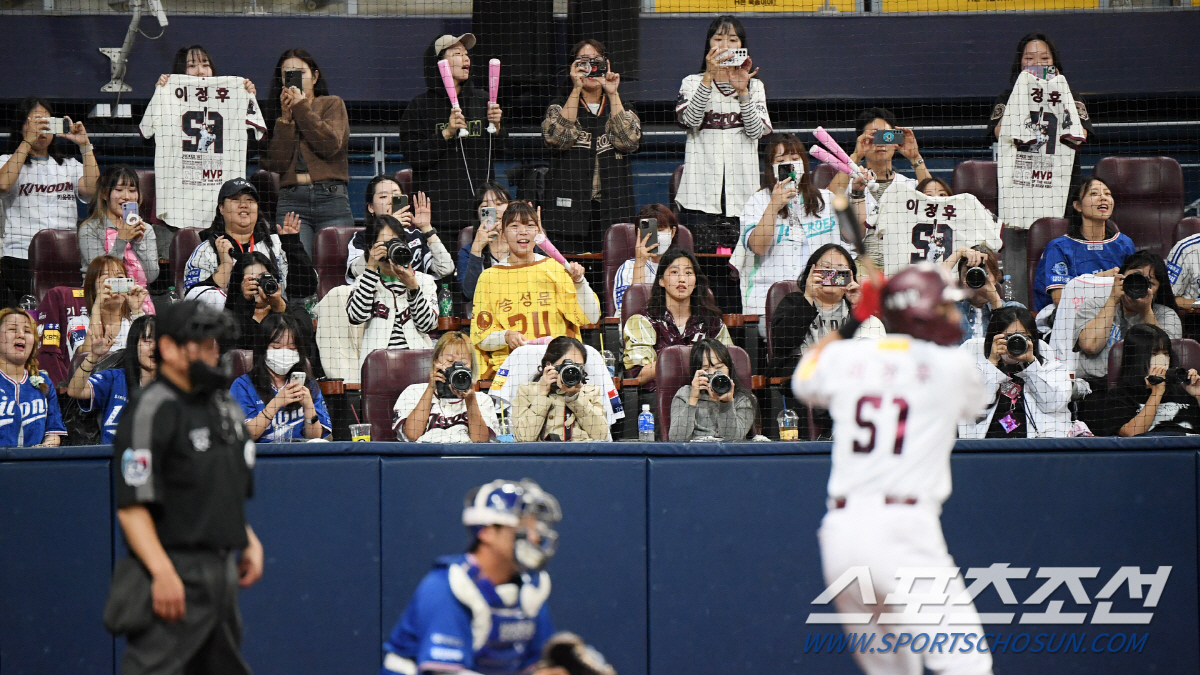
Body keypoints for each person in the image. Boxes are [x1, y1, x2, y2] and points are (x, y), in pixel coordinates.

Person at [792, 264, 994, 675]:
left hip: (841, 536)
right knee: (967, 665)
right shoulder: (950, 368)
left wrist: (854, 321)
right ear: (922, 312)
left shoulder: (848, 356)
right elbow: (975, 405)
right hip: (904, 531)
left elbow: (803, 377)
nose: (952, 315)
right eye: (943, 307)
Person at [104, 300, 263, 674]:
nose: (212, 352)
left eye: (214, 344)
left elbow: (223, 488)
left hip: (221, 573)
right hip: (173, 570)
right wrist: (161, 572)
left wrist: (247, 537)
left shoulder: (224, 407)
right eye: (201, 343)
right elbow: (132, 507)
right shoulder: (151, 409)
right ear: (169, 349)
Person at [380, 479, 567, 675]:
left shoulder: (530, 588)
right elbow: (444, 672)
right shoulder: (449, 586)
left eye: (534, 527)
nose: (535, 537)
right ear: (486, 532)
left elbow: (536, 665)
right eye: (522, 527)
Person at [674, 16, 771, 249]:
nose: (725, 45)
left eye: (732, 39)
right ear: (709, 46)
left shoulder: (754, 86)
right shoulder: (691, 82)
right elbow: (690, 119)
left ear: (742, 47)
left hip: (743, 199)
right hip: (698, 199)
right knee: (703, 271)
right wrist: (708, 77)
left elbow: (757, 131)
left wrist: (743, 91)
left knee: (740, 272)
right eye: (718, 39)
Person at [470, 203, 600, 375]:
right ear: (502, 231)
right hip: (513, 368)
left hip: (558, 366)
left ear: (538, 232)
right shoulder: (489, 277)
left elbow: (592, 317)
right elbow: (481, 337)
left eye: (530, 225)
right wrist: (506, 336)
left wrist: (580, 282)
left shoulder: (556, 269)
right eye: (514, 226)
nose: (523, 231)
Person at [541, 38, 641, 254]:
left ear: (607, 65)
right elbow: (557, 139)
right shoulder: (558, 106)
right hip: (567, 216)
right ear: (572, 68)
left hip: (612, 213)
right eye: (583, 62)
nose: (590, 68)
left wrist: (613, 93)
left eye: (596, 61)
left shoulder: (623, 107)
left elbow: (628, 142)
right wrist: (575, 89)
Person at [399, 34, 505, 230]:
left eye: (466, 54)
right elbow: (413, 155)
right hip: (439, 215)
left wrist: (497, 128)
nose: (466, 58)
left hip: (483, 213)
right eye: (457, 54)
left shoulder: (483, 100)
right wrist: (446, 133)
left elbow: (500, 151)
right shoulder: (419, 106)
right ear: (439, 63)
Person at [0, 97, 98, 308]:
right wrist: (27, 142)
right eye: (36, 121)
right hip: (20, 258)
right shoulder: (6, 160)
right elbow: (3, 185)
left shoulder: (69, 165)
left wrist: (85, 145)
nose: (42, 128)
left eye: (47, 121)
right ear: (22, 126)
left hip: (65, 257)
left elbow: (92, 191)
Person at [735, 133, 842, 324]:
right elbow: (758, 247)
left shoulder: (827, 199)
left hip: (824, 299)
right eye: (781, 160)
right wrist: (774, 206)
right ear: (771, 168)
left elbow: (849, 243)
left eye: (794, 158)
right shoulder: (758, 201)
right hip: (770, 303)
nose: (789, 164)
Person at [988, 32, 1093, 212]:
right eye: (1029, 58)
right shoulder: (1006, 97)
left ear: (1054, 63)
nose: (1037, 63)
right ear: (1020, 63)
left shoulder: (1070, 96)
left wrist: (1057, 92)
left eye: (1045, 58)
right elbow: (998, 133)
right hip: (1019, 182)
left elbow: (1082, 134)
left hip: (1060, 183)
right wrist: (1022, 93)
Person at [261, 48, 353, 253]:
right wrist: (285, 121)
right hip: (291, 202)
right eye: (288, 74)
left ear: (315, 76)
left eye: (300, 73)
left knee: (337, 267)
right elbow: (276, 164)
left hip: (331, 199)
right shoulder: (276, 114)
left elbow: (330, 146)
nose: (295, 79)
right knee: (297, 269)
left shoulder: (332, 104)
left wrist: (301, 107)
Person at [184, 177, 317, 300]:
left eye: (250, 200)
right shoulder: (206, 251)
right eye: (236, 199)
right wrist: (225, 266)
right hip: (228, 323)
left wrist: (293, 247)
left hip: (274, 320)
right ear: (221, 208)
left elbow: (305, 290)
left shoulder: (277, 244)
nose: (244, 205)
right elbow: (193, 299)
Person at [829, 108, 931, 267]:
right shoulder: (849, 184)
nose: (881, 143)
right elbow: (827, 199)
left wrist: (915, 157)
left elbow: (935, 202)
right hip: (858, 267)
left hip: (904, 267)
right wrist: (856, 155)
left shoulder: (909, 185)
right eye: (874, 137)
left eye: (887, 136)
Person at [768, 244, 886, 380]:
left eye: (840, 270)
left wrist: (857, 307)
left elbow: (872, 356)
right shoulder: (792, 302)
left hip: (849, 381)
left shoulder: (856, 310)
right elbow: (782, 342)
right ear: (811, 271)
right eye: (826, 268)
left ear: (851, 276)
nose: (832, 275)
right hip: (800, 383)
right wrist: (808, 298)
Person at [623, 248, 731, 391]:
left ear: (695, 280)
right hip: (659, 398)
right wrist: (687, 359)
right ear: (661, 280)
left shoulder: (713, 323)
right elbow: (638, 375)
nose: (682, 279)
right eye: (674, 272)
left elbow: (729, 364)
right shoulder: (643, 321)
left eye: (688, 273)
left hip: (708, 395)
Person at [959, 306, 1072, 439]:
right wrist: (992, 364)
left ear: (1033, 340)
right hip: (986, 448)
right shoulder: (974, 369)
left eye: (1023, 337)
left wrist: (1031, 365)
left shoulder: (1052, 368)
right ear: (993, 339)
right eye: (1008, 337)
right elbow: (975, 408)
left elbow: (1053, 404)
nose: (1016, 342)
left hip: (1035, 448)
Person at [1073, 251, 1181, 386]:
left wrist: (1145, 311)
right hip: (1096, 386)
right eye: (1135, 277)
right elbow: (1090, 346)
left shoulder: (1166, 315)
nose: (1139, 284)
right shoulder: (1093, 306)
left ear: (1159, 290)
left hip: (1146, 385)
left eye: (1150, 283)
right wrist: (1112, 300)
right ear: (1120, 277)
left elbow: (1164, 357)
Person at [347, 214, 439, 369]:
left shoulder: (424, 281)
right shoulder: (364, 281)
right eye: (383, 244)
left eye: (394, 242)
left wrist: (413, 287)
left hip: (418, 365)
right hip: (377, 367)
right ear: (370, 248)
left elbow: (427, 325)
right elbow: (356, 316)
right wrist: (370, 268)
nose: (390, 249)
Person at [1032, 177, 1136, 312]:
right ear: (1078, 206)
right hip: (1070, 320)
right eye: (1094, 194)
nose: (1103, 198)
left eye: (1107, 194)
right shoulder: (1058, 247)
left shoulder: (1124, 244)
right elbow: (1059, 298)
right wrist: (1102, 278)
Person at [1084, 324, 1200, 437]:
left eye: (1165, 354)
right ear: (1136, 359)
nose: (1162, 360)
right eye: (1154, 354)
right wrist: (1156, 393)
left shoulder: (1184, 391)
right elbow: (1132, 435)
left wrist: (1198, 396)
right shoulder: (1120, 396)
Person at [230, 313, 330, 442]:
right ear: (263, 349)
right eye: (276, 347)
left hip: (299, 454)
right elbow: (245, 435)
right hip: (263, 456)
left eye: (292, 347)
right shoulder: (243, 385)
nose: (284, 353)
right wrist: (276, 403)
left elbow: (315, 438)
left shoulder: (309, 385)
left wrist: (309, 406)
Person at [53, 256, 150, 388]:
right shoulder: (78, 323)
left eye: (120, 278)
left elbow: (150, 355)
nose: (114, 284)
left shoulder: (135, 320)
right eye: (107, 280)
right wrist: (97, 306)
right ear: (93, 288)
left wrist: (137, 310)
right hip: (92, 391)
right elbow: (83, 356)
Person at [219, 253, 323, 376]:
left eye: (264, 278)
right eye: (252, 280)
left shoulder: (296, 311)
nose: (259, 284)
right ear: (240, 285)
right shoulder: (230, 319)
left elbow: (303, 337)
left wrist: (278, 305)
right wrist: (245, 303)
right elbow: (235, 349)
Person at [66, 315, 156, 445]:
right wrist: (93, 356)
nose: (154, 347)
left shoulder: (174, 386)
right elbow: (75, 391)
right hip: (110, 458)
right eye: (147, 341)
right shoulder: (115, 378)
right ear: (133, 345)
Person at [393, 331, 498, 443]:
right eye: (450, 361)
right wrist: (430, 389)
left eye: (464, 363)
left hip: (464, 457)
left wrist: (470, 400)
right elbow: (412, 435)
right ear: (436, 362)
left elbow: (480, 441)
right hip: (426, 456)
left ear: (471, 366)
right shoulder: (414, 392)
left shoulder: (482, 400)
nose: (456, 368)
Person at [347, 175, 454, 283]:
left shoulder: (417, 236)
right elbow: (356, 271)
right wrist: (388, 226)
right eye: (383, 197)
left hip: (413, 295)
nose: (391, 201)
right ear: (371, 207)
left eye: (396, 196)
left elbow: (446, 269)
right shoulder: (361, 238)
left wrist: (427, 228)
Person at [513, 336, 608, 442]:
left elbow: (601, 435)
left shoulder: (591, 392)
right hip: (542, 455)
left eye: (577, 366)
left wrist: (575, 397)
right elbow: (522, 438)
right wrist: (543, 394)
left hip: (579, 454)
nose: (571, 370)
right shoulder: (527, 390)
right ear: (549, 365)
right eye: (565, 365)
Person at [77, 165, 159, 286]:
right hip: (100, 296)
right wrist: (122, 240)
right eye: (119, 190)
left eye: (132, 190)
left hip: (137, 298)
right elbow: (103, 273)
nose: (126, 196)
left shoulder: (145, 229)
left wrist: (137, 243)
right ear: (105, 194)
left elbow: (151, 276)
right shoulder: (90, 229)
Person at [0, 308, 65, 447]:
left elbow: (54, 434)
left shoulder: (45, 382)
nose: (21, 335)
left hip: (34, 465)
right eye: (12, 329)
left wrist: (44, 448)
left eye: (27, 331)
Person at [668, 338, 755, 441]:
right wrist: (692, 400)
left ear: (729, 368)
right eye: (706, 369)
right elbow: (676, 440)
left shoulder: (742, 400)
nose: (714, 373)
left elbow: (733, 441)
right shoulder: (684, 394)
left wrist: (726, 404)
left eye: (719, 367)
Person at [943, 244, 1023, 344]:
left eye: (983, 273)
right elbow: (933, 285)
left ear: (995, 278)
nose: (976, 279)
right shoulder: (952, 311)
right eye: (969, 274)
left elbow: (1011, 348)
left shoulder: (1015, 309)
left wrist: (995, 302)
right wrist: (959, 252)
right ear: (960, 279)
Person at [612, 204, 678, 315]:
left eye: (661, 230)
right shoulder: (628, 268)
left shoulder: (682, 267)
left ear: (672, 232)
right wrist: (640, 262)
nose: (656, 235)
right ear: (639, 233)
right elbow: (627, 311)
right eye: (651, 231)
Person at [457, 183, 514, 301]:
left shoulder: (524, 242)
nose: (494, 210)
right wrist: (477, 249)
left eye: (499, 204)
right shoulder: (467, 251)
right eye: (485, 206)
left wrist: (540, 239)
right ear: (478, 213)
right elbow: (469, 294)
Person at [155, 44, 257, 95]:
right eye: (192, 66)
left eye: (205, 65)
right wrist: (160, 93)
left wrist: (247, 97)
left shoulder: (227, 94)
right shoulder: (170, 95)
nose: (201, 71)